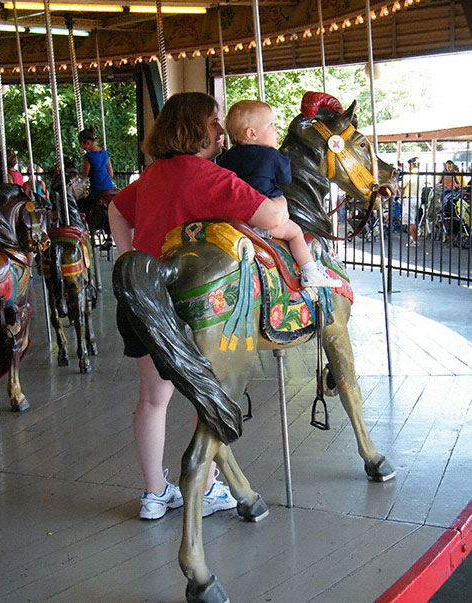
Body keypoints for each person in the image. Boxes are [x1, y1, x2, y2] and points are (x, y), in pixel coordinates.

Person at [108, 92, 289, 521]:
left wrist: (126, 255)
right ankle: (206, 487)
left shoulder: (153, 175)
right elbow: (269, 218)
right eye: (214, 122)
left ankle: (154, 494)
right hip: (193, 304)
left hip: (144, 295)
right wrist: (282, 201)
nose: (221, 130)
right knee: (202, 398)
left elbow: (116, 207)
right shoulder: (206, 176)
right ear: (194, 128)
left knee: (153, 399)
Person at [219, 100, 340, 288]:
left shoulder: (225, 157)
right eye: (271, 125)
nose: (276, 130)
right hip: (260, 221)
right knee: (295, 233)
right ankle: (310, 271)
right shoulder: (272, 156)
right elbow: (285, 179)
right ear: (252, 133)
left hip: (233, 222)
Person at [78, 125, 114, 202]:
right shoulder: (105, 153)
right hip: (109, 186)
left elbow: (85, 175)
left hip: (97, 188)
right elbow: (111, 174)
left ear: (87, 143)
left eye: (81, 144)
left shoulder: (89, 156)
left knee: (81, 202)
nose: (81, 147)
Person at [401, 156, 419, 246]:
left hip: (409, 198)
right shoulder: (421, 174)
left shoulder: (410, 174)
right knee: (413, 220)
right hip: (417, 198)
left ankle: (414, 240)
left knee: (410, 221)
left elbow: (401, 185)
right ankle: (413, 238)